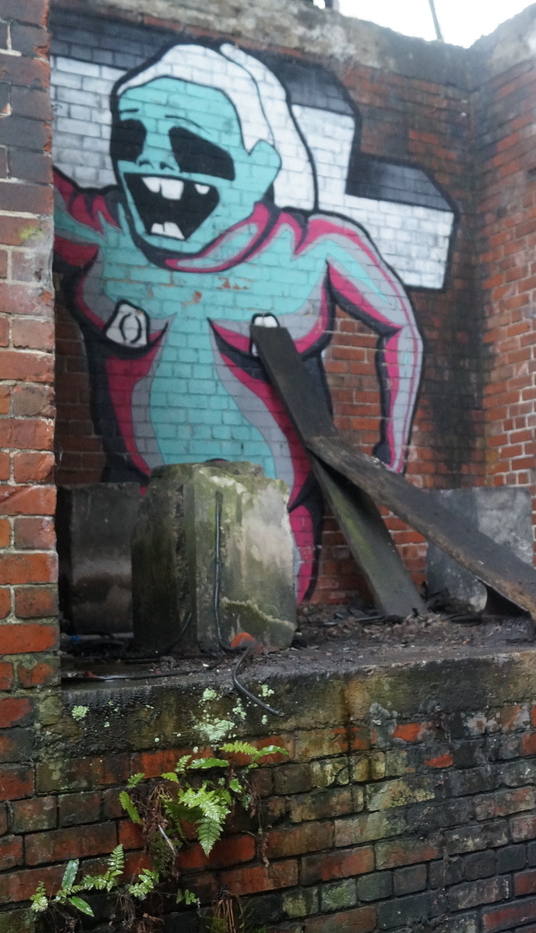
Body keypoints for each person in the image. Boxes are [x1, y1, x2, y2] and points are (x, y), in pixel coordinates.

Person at [54, 43, 424, 596]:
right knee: (154, 637)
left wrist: (391, 452)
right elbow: (11, 172)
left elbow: (401, 330)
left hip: (278, 520)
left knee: (264, 639)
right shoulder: (105, 229)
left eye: (189, 144)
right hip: (141, 511)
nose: (153, 159)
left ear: (259, 166)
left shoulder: (311, 250)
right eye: (131, 137)